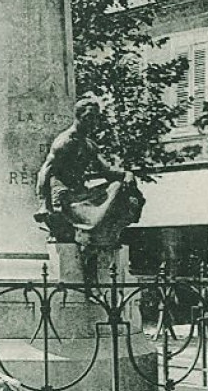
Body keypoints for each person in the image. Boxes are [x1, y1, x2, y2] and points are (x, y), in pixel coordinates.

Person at [35, 95, 144, 289]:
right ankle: (92, 243)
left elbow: (108, 172)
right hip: (65, 197)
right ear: (80, 117)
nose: (95, 122)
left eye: (96, 117)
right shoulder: (65, 142)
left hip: (81, 194)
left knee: (119, 189)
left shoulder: (89, 145)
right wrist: (45, 205)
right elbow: (46, 170)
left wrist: (127, 174)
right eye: (91, 117)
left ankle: (101, 239)